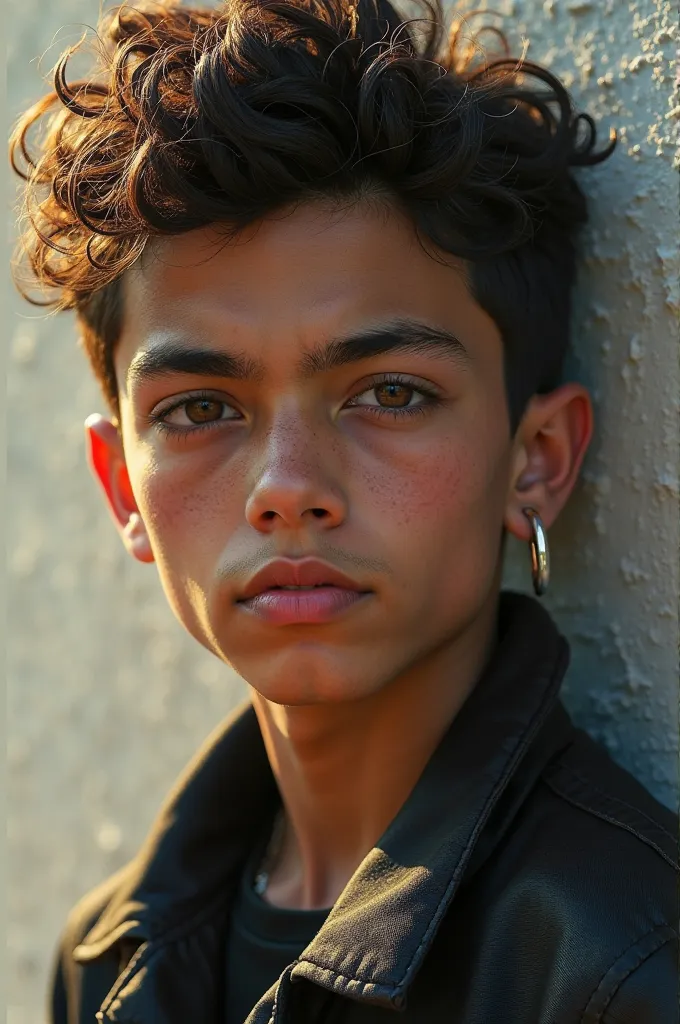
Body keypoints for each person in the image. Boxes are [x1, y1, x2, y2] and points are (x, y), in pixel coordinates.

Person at [10, 0, 678, 1021]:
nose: (286, 487)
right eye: (199, 408)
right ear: (120, 490)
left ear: (534, 459)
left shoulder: (620, 968)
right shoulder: (105, 959)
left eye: (388, 392)